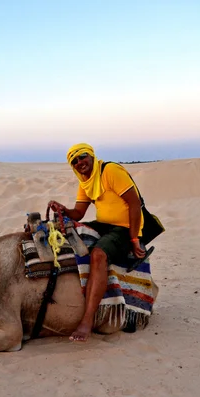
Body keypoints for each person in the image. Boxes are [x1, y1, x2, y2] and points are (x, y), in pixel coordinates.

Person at [48, 143, 145, 342]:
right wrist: (63, 209)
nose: (79, 163)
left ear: (91, 156)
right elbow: (78, 213)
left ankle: (88, 319)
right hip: (104, 225)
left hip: (126, 228)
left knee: (98, 254)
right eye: (74, 161)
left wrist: (134, 238)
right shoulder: (85, 181)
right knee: (68, 229)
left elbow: (134, 203)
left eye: (82, 157)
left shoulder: (110, 171)